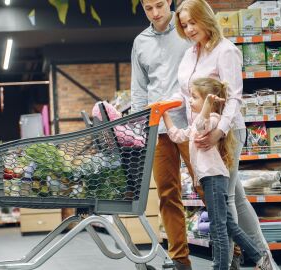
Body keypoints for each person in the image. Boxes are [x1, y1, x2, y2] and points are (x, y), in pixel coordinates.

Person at [173, 0, 279, 269]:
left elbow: (233, 98)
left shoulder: (226, 51)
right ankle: (264, 260)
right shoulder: (189, 54)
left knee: (226, 199)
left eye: (193, 22)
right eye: (184, 25)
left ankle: (230, 263)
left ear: (205, 18)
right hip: (202, 135)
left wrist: (219, 131)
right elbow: (185, 94)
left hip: (226, 131)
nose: (188, 29)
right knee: (238, 199)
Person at [162, 77, 273, 270]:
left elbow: (200, 126)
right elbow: (178, 135)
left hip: (214, 179)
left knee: (218, 228)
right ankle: (260, 258)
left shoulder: (213, 119)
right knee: (228, 225)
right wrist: (164, 115)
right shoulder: (199, 120)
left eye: (194, 97)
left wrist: (206, 106)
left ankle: (221, 266)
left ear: (208, 102)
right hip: (210, 179)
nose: (190, 101)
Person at [130, 0, 193, 269]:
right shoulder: (140, 42)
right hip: (159, 128)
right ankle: (180, 260)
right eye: (148, 8)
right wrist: (140, 131)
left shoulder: (187, 30)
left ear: (169, 1)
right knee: (168, 194)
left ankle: (231, 250)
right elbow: (139, 90)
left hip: (193, 123)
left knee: (208, 189)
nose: (155, 13)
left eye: (159, 5)